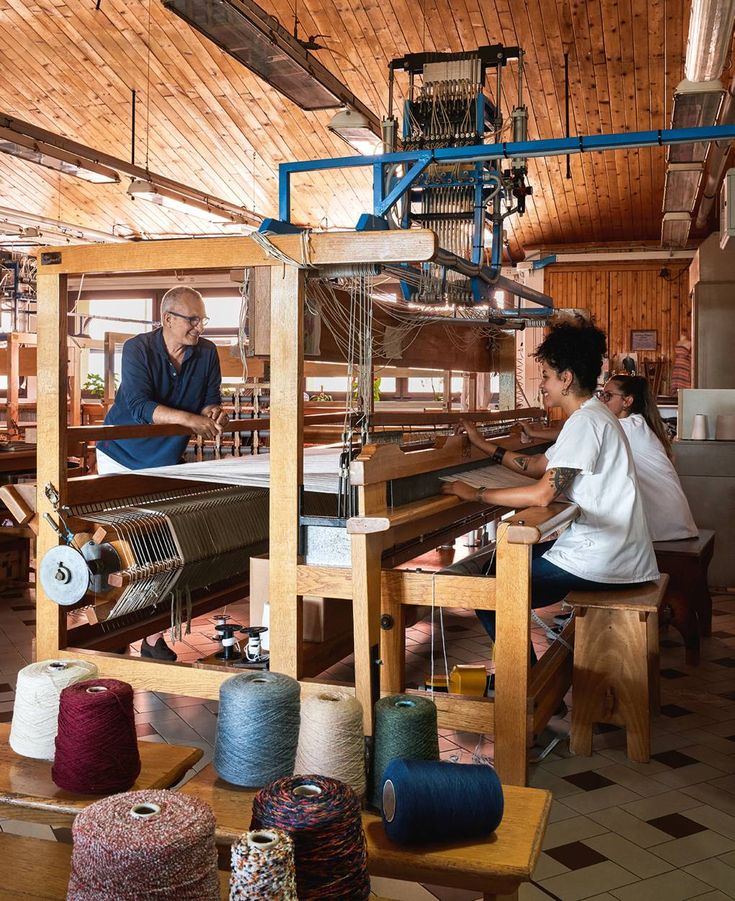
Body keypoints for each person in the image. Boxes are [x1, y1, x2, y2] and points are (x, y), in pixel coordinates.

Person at [441, 322, 659, 664]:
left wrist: (476, 493)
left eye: (545, 376)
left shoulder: (586, 423)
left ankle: (524, 685)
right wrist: (484, 445)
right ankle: (530, 679)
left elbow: (542, 494)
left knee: (492, 591)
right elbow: (541, 465)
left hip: (604, 560)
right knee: (502, 562)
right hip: (610, 549)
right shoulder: (590, 417)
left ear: (566, 378)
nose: (542, 385)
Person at [96, 286, 229, 660]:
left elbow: (210, 398)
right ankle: (111, 631)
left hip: (165, 462)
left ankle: (151, 637)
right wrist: (190, 420)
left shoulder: (207, 353)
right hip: (120, 457)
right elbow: (138, 405)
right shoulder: (138, 348)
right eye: (193, 320)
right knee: (120, 551)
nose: (199, 327)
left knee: (163, 550)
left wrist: (214, 411)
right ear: (167, 318)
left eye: (202, 320)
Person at [598, 375, 697, 541]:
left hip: (666, 527)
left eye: (607, 395)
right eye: (601, 394)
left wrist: (537, 433)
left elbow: (580, 431)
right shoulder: (635, 424)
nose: (601, 400)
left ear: (627, 401)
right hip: (674, 522)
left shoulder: (627, 426)